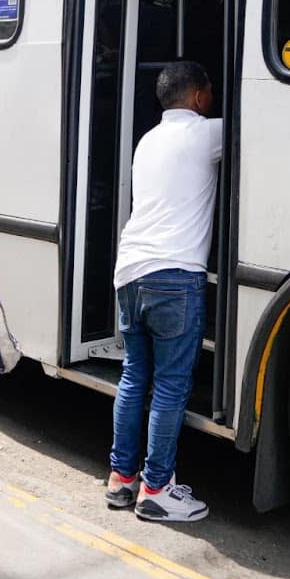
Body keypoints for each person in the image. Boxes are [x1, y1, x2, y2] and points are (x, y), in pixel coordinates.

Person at [104, 61, 222, 524]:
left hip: (130, 270)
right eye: (209, 92)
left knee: (134, 378)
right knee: (171, 386)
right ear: (197, 97)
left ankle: (121, 480)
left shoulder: (149, 139)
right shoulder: (205, 133)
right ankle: (156, 488)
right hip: (175, 275)